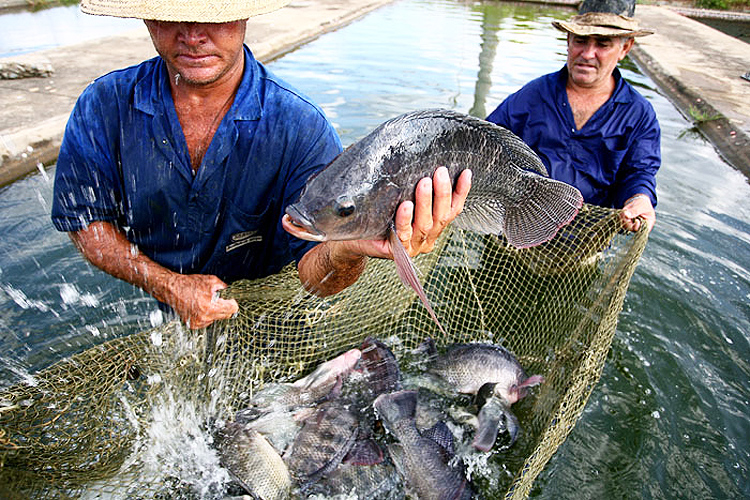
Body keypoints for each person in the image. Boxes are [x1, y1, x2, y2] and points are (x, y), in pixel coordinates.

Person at [51, 0, 471, 329]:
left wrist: (347, 248)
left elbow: (317, 277)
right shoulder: (104, 104)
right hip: (156, 299)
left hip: (274, 312)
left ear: (245, 16)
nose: (193, 36)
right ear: (146, 19)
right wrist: (168, 284)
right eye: (170, 16)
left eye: (215, 15)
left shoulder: (300, 126)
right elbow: (85, 221)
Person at [486, 0, 659, 233]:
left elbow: (639, 172)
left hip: (583, 245)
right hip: (515, 237)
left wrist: (639, 198)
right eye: (580, 41)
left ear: (625, 48)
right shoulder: (532, 96)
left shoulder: (639, 114)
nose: (588, 54)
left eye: (603, 44)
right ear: (568, 41)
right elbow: (485, 142)